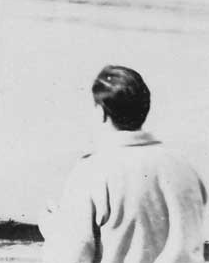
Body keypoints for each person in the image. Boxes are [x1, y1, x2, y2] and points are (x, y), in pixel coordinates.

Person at [40, 65, 207, 263]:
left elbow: (71, 257)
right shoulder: (185, 168)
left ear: (101, 112)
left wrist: (55, 231)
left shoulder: (92, 171)